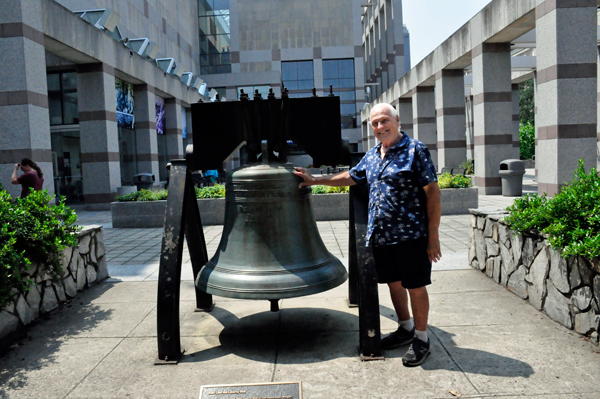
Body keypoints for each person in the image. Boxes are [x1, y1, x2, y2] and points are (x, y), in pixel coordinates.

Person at [293, 103, 441, 367]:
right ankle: (406, 328)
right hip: (382, 236)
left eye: (384, 121)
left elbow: (432, 193)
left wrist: (433, 238)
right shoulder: (373, 156)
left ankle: (421, 338)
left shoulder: (415, 150)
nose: (380, 127)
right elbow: (352, 176)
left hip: (411, 236)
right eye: (375, 123)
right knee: (394, 284)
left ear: (397, 120)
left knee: (415, 287)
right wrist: (316, 180)